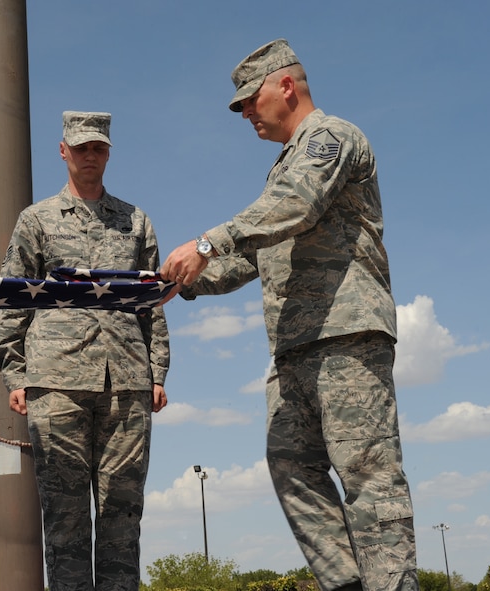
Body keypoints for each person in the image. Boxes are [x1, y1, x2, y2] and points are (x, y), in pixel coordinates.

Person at [161, 39, 419, 591]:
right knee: (291, 469)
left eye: (249, 101)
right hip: (292, 348)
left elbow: (294, 207)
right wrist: (173, 285)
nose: (247, 114)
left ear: (285, 85)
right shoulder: (281, 169)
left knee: (369, 478)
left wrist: (206, 242)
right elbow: (253, 258)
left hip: (345, 335)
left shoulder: (331, 137)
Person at [0, 111, 170, 591]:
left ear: (108, 153)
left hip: (127, 383)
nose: (91, 155)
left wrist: (157, 372)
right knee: (65, 522)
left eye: (99, 148)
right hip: (56, 383)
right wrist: (16, 374)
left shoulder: (135, 221)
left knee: (122, 518)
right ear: (63, 151)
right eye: (82, 147)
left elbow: (153, 301)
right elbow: (12, 298)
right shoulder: (37, 220)